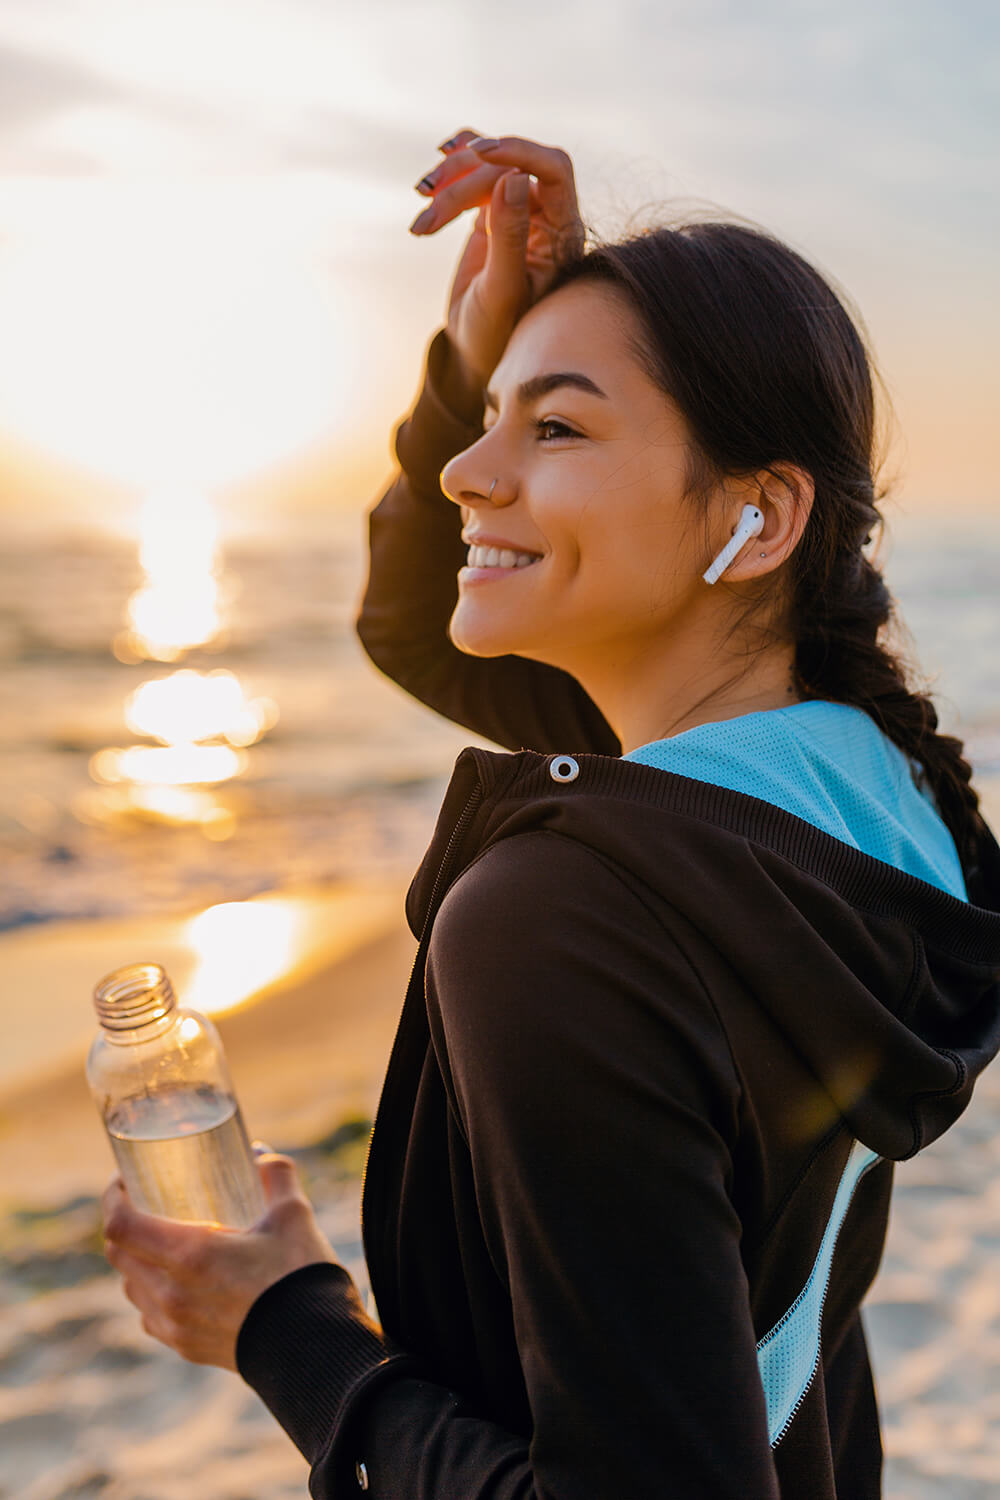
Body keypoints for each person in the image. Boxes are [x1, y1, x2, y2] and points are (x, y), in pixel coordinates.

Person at [103, 129, 1000, 1498]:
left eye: (557, 426)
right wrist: (487, 355)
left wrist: (283, 1331)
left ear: (758, 524)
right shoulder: (871, 789)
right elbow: (418, 624)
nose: (469, 471)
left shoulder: (569, 915)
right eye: (488, 422)